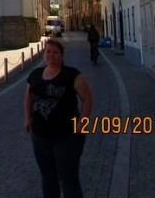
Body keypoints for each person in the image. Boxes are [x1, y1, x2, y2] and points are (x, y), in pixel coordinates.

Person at [24, 39, 92, 198]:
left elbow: (87, 99)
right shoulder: (35, 75)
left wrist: (82, 123)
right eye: (48, 52)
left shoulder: (72, 75)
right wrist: (27, 118)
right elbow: (28, 97)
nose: (51, 55)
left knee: (68, 178)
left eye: (55, 52)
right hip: (40, 135)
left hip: (67, 136)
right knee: (47, 176)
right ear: (44, 53)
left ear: (61, 55)